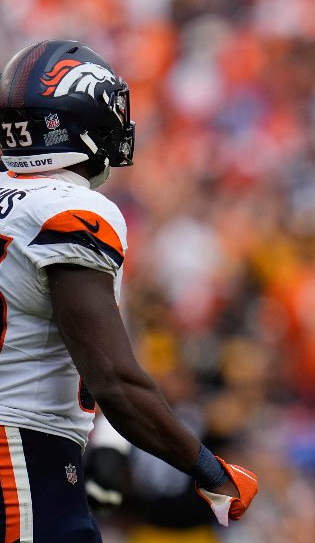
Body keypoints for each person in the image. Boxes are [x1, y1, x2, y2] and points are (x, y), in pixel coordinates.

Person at [0, 40, 258, 541]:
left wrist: (107, 449)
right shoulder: (70, 211)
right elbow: (114, 379)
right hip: (21, 453)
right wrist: (210, 471)